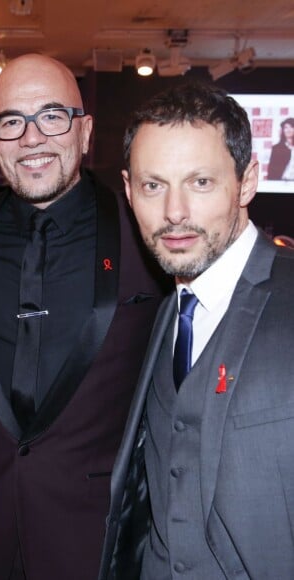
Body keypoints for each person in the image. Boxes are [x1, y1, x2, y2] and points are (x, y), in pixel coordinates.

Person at [0, 53, 169, 580]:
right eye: (12, 122)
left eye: (52, 116)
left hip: (96, 537)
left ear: (85, 130)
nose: (32, 138)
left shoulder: (148, 237)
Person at [100, 83, 294, 579]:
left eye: (201, 182)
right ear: (128, 190)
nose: (174, 212)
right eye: (153, 185)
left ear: (247, 181)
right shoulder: (166, 312)